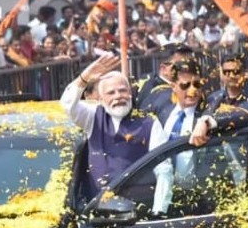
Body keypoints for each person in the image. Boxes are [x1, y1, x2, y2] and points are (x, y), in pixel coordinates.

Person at [60, 54, 171, 204]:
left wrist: (160, 210)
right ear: (101, 98)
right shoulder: (93, 117)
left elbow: (164, 170)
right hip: (96, 209)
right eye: (111, 93)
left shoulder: (149, 123)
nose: (118, 96)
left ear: (130, 93)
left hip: (138, 210)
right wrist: (84, 78)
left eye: (122, 90)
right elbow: (67, 105)